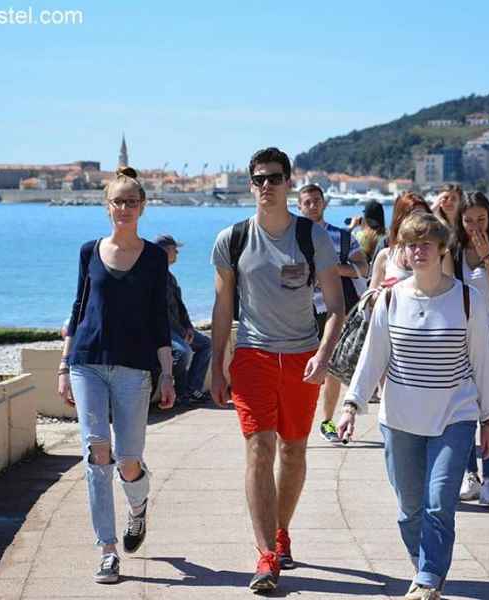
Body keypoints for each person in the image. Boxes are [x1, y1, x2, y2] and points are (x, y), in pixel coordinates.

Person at [338, 212, 489, 600]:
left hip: (454, 416)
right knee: (408, 509)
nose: (419, 250)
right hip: (399, 418)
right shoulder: (391, 298)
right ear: (402, 251)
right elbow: (373, 357)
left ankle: (429, 578)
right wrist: (351, 405)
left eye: (427, 243)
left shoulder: (467, 299)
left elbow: (483, 362)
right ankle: (424, 564)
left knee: (439, 502)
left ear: (442, 248)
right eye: (412, 244)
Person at [210, 147, 344, 592]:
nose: (266, 185)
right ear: (250, 185)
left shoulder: (312, 237)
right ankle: (266, 555)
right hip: (252, 356)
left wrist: (323, 357)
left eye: (274, 177)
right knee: (259, 449)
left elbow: (337, 309)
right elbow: (223, 307)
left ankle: (281, 530)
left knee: (292, 451)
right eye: (259, 178)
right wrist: (217, 365)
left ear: (289, 182)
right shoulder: (232, 239)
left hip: (303, 356)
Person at [58, 167, 176, 584]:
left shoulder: (154, 258)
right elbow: (77, 309)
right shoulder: (89, 251)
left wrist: (167, 374)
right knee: (97, 455)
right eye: (117, 201)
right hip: (87, 362)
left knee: (128, 462)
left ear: (142, 207)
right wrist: (63, 363)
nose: (124, 208)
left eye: (131, 202)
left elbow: (160, 320)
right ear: (107, 206)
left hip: (134, 368)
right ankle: (107, 549)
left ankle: (138, 507)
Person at [444, 191, 489, 506]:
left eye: (482, 219)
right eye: (469, 220)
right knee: (463, 409)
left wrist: (487, 258)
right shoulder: (452, 249)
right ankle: (469, 476)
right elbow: (445, 295)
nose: (475, 226)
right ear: (460, 220)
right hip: (460, 337)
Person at [297, 183, 369, 444]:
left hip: (333, 311)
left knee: (330, 368)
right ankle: (297, 421)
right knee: (299, 369)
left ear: (324, 203)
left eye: (317, 200)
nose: (313, 205)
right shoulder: (289, 237)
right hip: (298, 312)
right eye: (308, 202)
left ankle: (326, 421)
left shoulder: (343, 236)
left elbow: (364, 267)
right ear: (299, 206)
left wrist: (331, 270)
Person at [155, 233, 213, 404]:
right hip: (164, 330)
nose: (177, 254)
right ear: (165, 251)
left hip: (178, 329)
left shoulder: (169, 276)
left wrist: (187, 327)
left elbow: (180, 307)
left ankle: (192, 390)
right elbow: (161, 312)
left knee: (206, 345)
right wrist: (181, 333)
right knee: (183, 352)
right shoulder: (153, 277)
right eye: (175, 250)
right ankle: (179, 392)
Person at [370, 192, 432, 290]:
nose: (419, 222)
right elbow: (371, 299)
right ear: (400, 220)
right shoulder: (385, 255)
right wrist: (382, 294)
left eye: (424, 217)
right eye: (413, 217)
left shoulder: (440, 254)